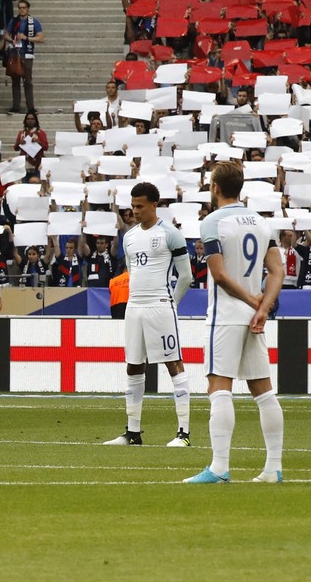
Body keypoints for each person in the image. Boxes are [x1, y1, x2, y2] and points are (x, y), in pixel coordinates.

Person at [184, 161, 284, 483]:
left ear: (215, 188)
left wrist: (255, 302)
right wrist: (263, 307)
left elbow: (219, 275)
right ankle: (272, 468)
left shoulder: (211, 222)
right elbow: (277, 271)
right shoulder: (260, 221)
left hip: (226, 314)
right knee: (264, 392)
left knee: (218, 387)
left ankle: (219, 467)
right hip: (254, 315)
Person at [103, 182, 192, 448]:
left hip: (160, 306)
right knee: (133, 365)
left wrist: (171, 304)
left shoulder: (170, 234)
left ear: (154, 205)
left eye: (140, 206)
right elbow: (132, 271)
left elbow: (186, 276)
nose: (135, 211)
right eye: (132, 206)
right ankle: (132, 433)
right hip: (134, 307)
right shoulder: (129, 237)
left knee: (173, 364)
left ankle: (183, 434)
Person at [5, 0, 42, 113]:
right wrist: (12, 40)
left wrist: (26, 38)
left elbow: (41, 38)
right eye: (20, 8)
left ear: (28, 9)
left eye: (24, 8)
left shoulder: (34, 22)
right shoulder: (14, 20)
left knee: (28, 81)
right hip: (15, 53)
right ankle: (16, 106)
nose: (21, 10)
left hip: (27, 54)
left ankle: (30, 107)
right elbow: (6, 34)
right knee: (15, 80)